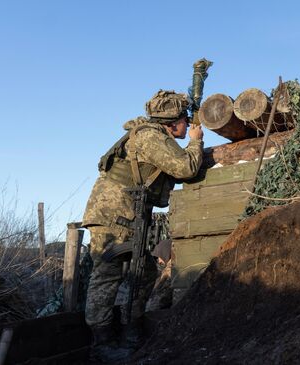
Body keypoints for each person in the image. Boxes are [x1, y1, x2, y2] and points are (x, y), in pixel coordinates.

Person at [82, 90, 203, 362]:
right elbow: (185, 167)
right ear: (171, 122)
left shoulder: (155, 134)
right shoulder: (150, 136)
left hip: (126, 214)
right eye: (185, 120)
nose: (189, 126)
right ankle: (101, 344)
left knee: (145, 270)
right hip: (112, 215)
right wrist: (196, 143)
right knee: (106, 275)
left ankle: (130, 330)